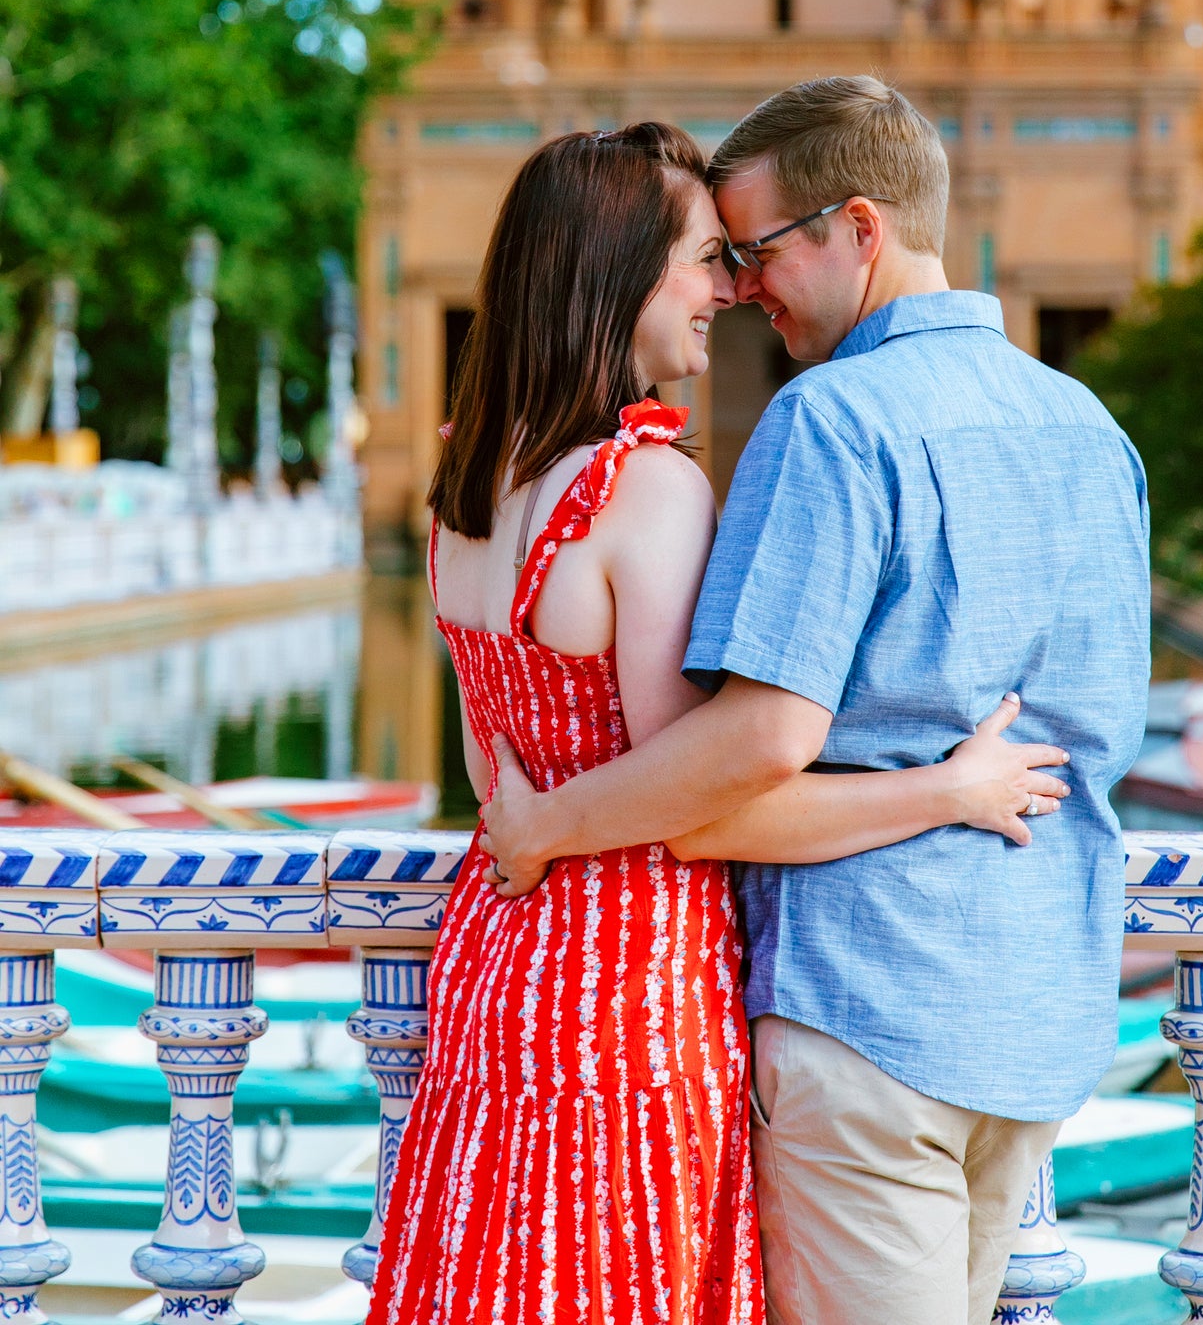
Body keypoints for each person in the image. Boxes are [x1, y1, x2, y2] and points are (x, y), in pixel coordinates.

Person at [368, 119, 1072, 1325]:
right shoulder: (642, 487)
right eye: (701, 258)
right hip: (630, 983)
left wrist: (536, 831)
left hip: (496, 958)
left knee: (500, 1278)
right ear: (615, 271)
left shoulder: (463, 496)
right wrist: (948, 788)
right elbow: (708, 790)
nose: (727, 291)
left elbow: (507, 765)